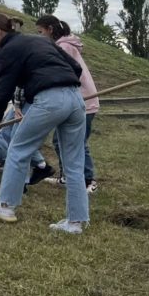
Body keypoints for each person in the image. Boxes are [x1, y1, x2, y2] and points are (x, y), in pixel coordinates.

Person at [0, 13, 90, 234]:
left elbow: (3, 91)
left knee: (18, 149)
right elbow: (75, 68)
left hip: (49, 101)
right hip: (76, 100)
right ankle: (75, 222)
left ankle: (5, 206)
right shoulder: (40, 40)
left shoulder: (7, 50)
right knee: (74, 163)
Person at [0, 18, 55, 186]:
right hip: (25, 100)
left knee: (19, 141)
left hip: (36, 99)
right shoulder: (1, 52)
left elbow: (12, 84)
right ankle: (34, 171)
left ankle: (21, 182)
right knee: (12, 137)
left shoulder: (14, 50)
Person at [35, 15, 99, 194]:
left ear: (50, 29)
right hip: (72, 101)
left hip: (83, 100)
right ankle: (67, 177)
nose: (40, 36)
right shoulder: (61, 45)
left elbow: (61, 75)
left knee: (78, 142)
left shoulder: (64, 47)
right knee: (59, 140)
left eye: (40, 32)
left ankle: (89, 180)